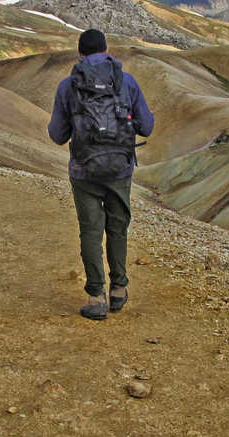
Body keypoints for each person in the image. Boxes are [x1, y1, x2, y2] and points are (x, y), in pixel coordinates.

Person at [48, 29, 154, 320]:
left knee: (91, 232)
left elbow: (57, 135)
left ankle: (96, 297)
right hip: (120, 169)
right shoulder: (127, 82)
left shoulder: (68, 87)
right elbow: (147, 127)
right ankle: (119, 290)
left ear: (79, 53)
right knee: (117, 228)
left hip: (83, 172)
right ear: (107, 51)